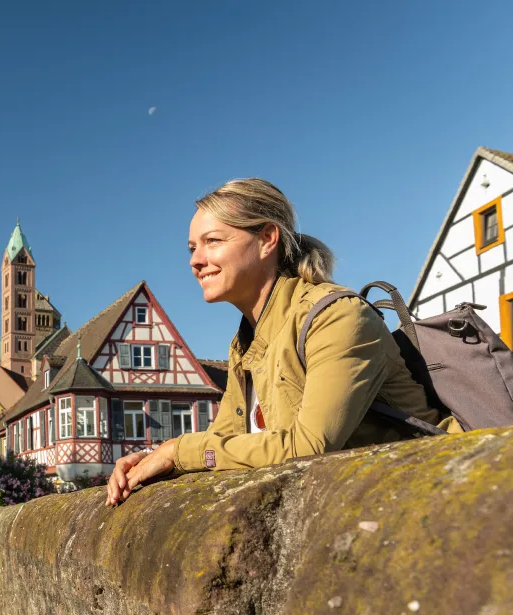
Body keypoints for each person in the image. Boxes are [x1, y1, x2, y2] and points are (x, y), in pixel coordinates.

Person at [106, 178, 460, 507]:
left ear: (267, 239)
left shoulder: (336, 316)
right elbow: (226, 443)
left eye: (212, 241)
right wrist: (153, 458)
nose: (196, 260)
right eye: (192, 247)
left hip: (436, 498)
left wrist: (178, 451)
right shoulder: (245, 343)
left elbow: (308, 448)